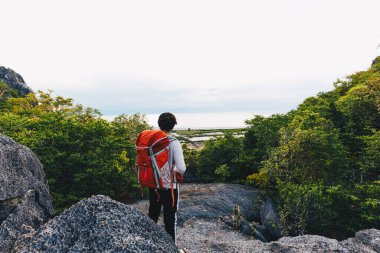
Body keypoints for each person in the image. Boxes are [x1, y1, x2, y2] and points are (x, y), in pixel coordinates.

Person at [148, 112, 186, 243]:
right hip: (169, 187)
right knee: (170, 221)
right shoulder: (173, 142)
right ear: (173, 126)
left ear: (159, 124)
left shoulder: (151, 141)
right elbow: (182, 168)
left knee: (152, 216)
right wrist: (173, 169)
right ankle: (170, 248)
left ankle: (148, 244)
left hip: (153, 185)